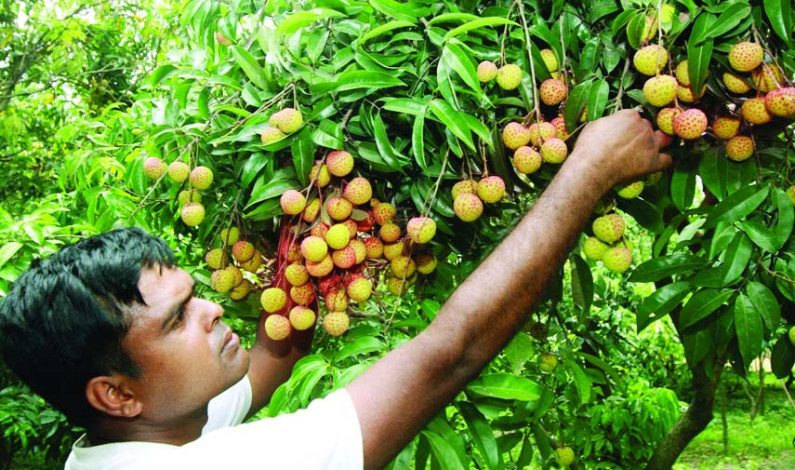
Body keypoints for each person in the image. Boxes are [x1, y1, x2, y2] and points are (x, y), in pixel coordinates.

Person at [0, 110, 671, 469]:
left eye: (196, 292)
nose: (211, 308)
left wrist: (313, 240)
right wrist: (589, 172)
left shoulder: (141, 432)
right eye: (178, 320)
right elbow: (451, 353)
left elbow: (270, 358)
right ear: (115, 393)